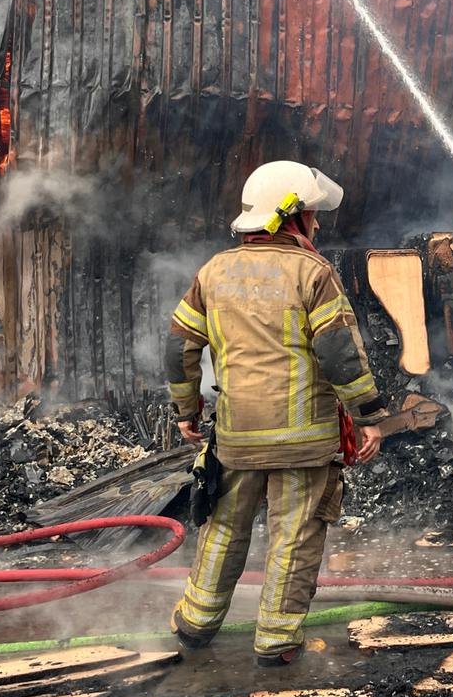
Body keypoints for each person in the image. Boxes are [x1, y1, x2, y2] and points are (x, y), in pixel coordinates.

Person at [166, 160, 388, 665]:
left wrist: (186, 409)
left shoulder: (213, 271)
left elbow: (178, 346)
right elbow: (338, 351)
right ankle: (276, 644)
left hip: (236, 438)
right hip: (304, 443)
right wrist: (368, 412)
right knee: (294, 537)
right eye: (310, 213)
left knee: (223, 528)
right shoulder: (312, 273)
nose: (316, 222)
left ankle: (195, 626)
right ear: (291, 217)